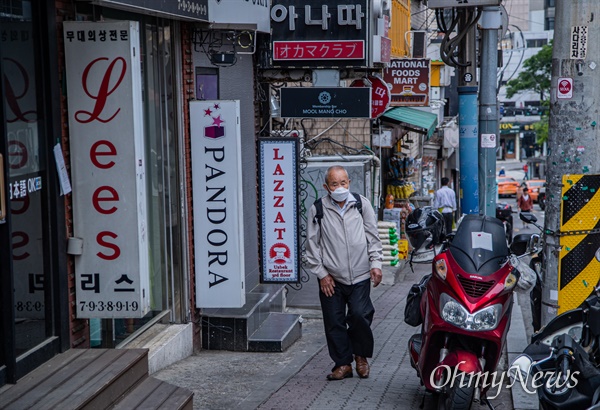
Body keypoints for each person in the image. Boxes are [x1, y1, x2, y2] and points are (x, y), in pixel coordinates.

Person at [306, 165, 383, 381]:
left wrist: (376, 263)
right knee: (334, 321)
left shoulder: (361, 204)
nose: (339, 187)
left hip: (360, 275)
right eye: (334, 184)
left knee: (359, 315)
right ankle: (343, 364)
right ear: (326, 186)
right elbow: (312, 245)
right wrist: (322, 274)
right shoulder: (318, 209)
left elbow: (372, 236)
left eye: (343, 183)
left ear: (349, 183)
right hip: (332, 278)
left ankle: (360, 357)